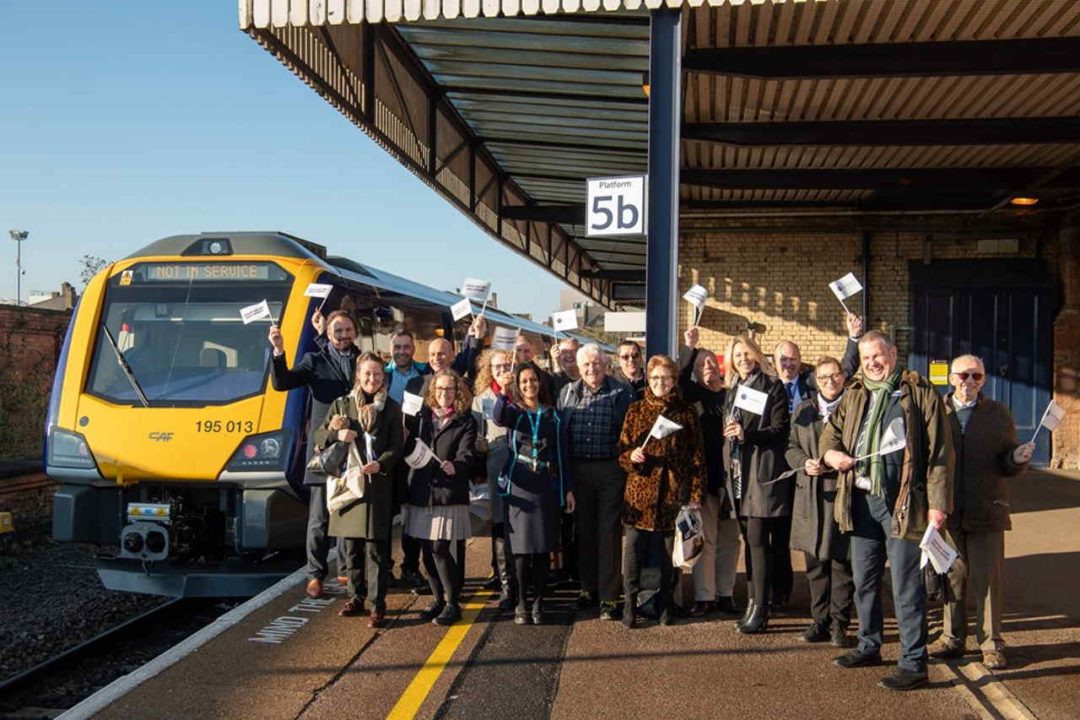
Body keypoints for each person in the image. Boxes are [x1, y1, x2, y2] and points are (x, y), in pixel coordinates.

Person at [820, 330, 952, 691]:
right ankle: (869, 644)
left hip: (903, 504)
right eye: (865, 359)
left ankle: (913, 663)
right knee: (864, 580)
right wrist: (831, 454)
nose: (872, 363)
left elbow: (940, 453)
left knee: (906, 586)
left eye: (877, 356)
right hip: (861, 500)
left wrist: (938, 506)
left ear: (893, 354)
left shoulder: (918, 392)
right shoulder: (855, 391)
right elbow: (830, 432)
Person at [930, 354, 1034, 670]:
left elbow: (1006, 464)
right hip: (947, 511)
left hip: (988, 507)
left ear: (984, 380)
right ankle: (951, 637)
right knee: (953, 576)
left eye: (976, 376)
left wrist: (1017, 458)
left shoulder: (998, 414)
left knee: (988, 580)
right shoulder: (937, 412)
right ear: (950, 378)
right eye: (963, 376)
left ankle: (991, 644)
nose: (969, 382)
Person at [769, 312, 862, 607]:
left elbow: (845, 366)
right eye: (783, 359)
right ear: (774, 363)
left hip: (836, 486)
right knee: (800, 549)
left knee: (839, 556)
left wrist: (853, 337)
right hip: (794, 481)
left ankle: (838, 618)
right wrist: (801, 462)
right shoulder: (773, 391)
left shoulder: (824, 391)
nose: (788, 363)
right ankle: (794, 602)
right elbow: (790, 444)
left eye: (793, 358)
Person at [269, 309, 358, 599]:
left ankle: (346, 569)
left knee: (348, 510)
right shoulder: (314, 361)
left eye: (347, 330)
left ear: (354, 332)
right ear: (328, 335)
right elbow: (282, 382)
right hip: (323, 448)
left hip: (354, 448)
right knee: (319, 517)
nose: (343, 336)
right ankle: (315, 574)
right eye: (337, 331)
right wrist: (279, 350)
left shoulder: (363, 361)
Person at [314, 352, 404, 628]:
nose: (372, 379)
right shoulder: (342, 405)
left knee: (376, 548)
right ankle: (355, 597)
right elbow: (318, 436)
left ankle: (378, 604)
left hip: (376, 485)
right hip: (349, 486)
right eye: (367, 374)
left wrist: (381, 463)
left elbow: (397, 446)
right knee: (350, 547)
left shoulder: (390, 407)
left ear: (383, 377)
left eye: (377, 374)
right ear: (358, 375)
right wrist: (336, 434)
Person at [398, 318, 487, 591]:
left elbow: (466, 448)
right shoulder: (415, 384)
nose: (437, 358)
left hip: (450, 480)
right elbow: (409, 426)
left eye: (442, 354)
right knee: (426, 543)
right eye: (433, 354)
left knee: (446, 543)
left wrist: (476, 338)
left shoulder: (459, 388)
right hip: (421, 475)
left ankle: (452, 591)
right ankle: (430, 586)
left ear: (451, 356)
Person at [618, 355, 705, 627]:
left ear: (673, 380)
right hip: (639, 494)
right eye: (655, 377)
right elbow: (621, 451)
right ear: (648, 378)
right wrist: (631, 456)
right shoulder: (635, 410)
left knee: (671, 556)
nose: (660, 383)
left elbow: (697, 457)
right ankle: (630, 605)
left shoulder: (687, 412)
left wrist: (695, 495)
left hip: (672, 494)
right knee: (633, 552)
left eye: (665, 378)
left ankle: (667, 605)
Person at [493, 362, 576, 625]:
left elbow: (562, 458)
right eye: (524, 381)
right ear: (519, 384)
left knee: (541, 550)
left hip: (543, 489)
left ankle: (539, 601)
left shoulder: (553, 416)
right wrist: (503, 391)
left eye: (533, 380)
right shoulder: (514, 413)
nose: (530, 385)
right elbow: (497, 416)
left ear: (540, 383)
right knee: (519, 551)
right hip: (518, 487)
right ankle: (521, 602)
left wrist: (567, 490)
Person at [558, 343, 635, 621]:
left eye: (596, 363)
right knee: (584, 532)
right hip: (578, 470)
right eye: (587, 365)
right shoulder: (567, 393)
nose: (592, 369)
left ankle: (609, 596)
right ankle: (587, 588)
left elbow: (629, 433)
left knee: (608, 533)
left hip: (610, 471)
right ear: (579, 368)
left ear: (605, 364)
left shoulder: (620, 392)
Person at [721, 334, 791, 634]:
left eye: (747, 354)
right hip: (738, 473)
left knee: (759, 542)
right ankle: (753, 601)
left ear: (757, 355)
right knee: (751, 543)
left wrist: (746, 435)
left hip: (761, 475)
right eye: (737, 356)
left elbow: (779, 430)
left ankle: (761, 609)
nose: (743, 360)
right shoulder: (733, 388)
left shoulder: (772, 386)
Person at [786, 356, 855, 647]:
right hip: (812, 495)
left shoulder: (854, 408)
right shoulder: (804, 410)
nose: (830, 381)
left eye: (835, 375)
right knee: (815, 564)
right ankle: (820, 621)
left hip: (844, 493)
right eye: (824, 377)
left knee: (842, 564)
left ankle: (840, 624)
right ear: (815, 381)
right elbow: (790, 447)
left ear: (843, 377)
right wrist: (804, 463)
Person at [402, 369, 477, 626]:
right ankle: (438, 600)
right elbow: (406, 440)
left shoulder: (465, 420)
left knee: (440, 548)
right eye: (440, 389)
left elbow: (468, 453)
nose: (445, 394)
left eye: (450, 389)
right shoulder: (423, 418)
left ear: (457, 393)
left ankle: (453, 602)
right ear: (432, 392)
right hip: (422, 491)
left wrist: (456, 464)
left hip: (447, 493)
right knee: (426, 551)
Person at [680, 326, 741, 617]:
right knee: (709, 539)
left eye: (710, 362)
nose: (707, 367)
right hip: (705, 480)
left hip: (732, 480)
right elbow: (678, 379)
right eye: (700, 363)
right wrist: (690, 349)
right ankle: (705, 595)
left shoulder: (732, 395)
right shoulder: (694, 396)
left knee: (730, 539)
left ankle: (726, 593)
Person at [472, 348, 517, 611]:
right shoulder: (481, 400)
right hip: (496, 470)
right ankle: (505, 583)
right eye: (497, 367)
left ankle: (523, 580)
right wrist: (480, 445)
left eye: (505, 366)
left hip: (523, 471)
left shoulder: (521, 392)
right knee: (499, 526)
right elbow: (477, 437)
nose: (502, 371)